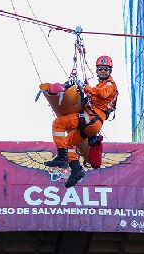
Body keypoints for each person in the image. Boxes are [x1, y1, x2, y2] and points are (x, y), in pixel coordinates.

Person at [44, 55, 118, 188]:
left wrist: (85, 87)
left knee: (58, 124)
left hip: (91, 119)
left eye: (105, 69)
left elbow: (102, 94)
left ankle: (62, 158)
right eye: (100, 69)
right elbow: (94, 94)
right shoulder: (99, 86)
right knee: (67, 143)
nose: (102, 71)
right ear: (96, 70)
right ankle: (76, 169)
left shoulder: (110, 85)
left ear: (110, 71)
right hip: (91, 122)